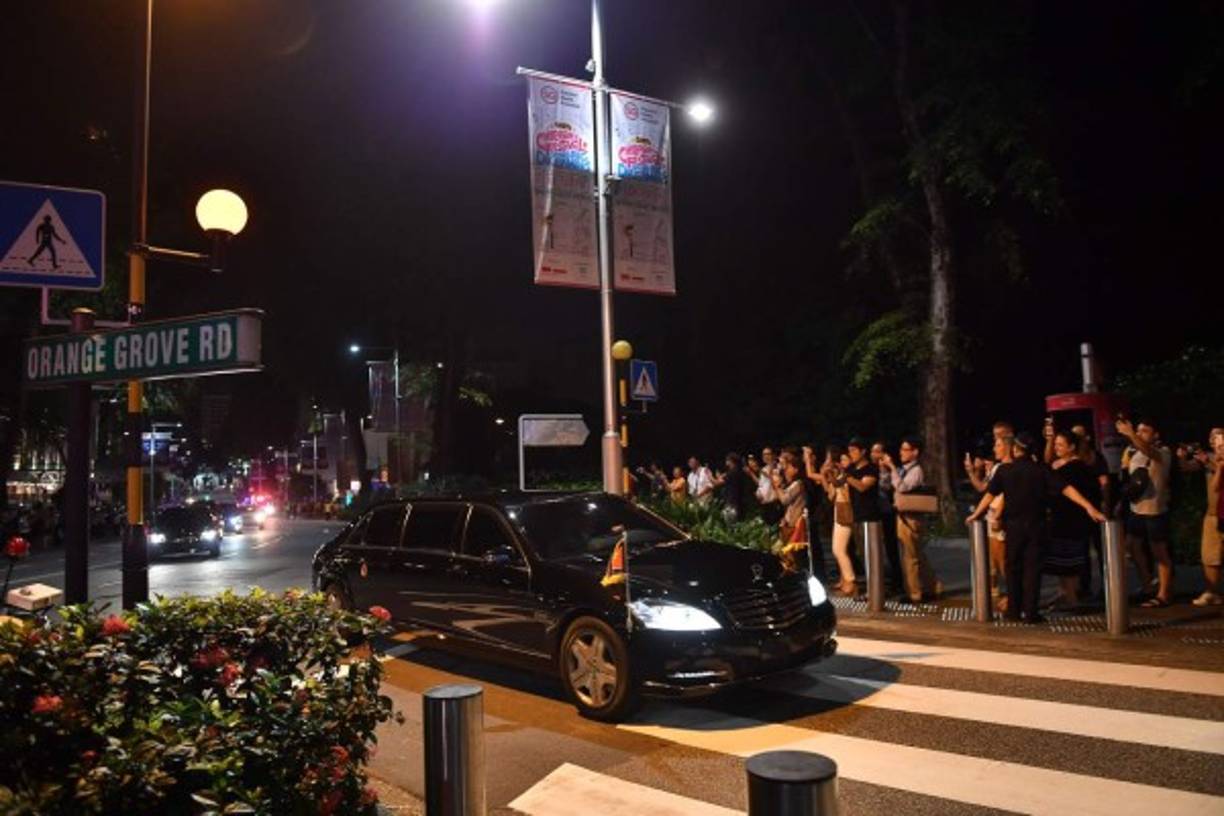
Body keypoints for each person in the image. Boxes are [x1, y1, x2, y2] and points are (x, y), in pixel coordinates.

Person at [967, 432, 1105, 623]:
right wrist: (1089, 507)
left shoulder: (1005, 471)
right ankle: (1031, 612)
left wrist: (976, 514)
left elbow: (989, 495)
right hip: (1036, 525)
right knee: (1032, 569)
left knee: (1013, 567)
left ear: (1016, 450)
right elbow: (1067, 489)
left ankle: (1013, 611)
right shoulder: (1041, 470)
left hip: (1013, 526)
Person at [1116, 417, 1175, 607]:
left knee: (1160, 552)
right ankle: (1148, 585)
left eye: (1145, 431)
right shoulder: (1133, 451)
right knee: (1132, 546)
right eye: (1138, 430)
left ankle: (1164, 593)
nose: (1140, 433)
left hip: (1154, 511)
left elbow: (1149, 450)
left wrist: (1130, 433)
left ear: (1156, 434)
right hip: (1136, 509)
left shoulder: (1163, 452)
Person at [1044, 430, 1098, 610]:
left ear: (1072, 447)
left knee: (1070, 560)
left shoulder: (1078, 468)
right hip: (1058, 518)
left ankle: (1073, 597)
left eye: (1060, 445)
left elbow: (1070, 490)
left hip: (1072, 519)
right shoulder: (1056, 465)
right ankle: (1065, 593)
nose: (1057, 448)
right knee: (1060, 560)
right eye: (1056, 444)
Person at [889, 437, 940, 603]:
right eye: (901, 449)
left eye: (905, 449)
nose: (901, 452)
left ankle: (914, 593)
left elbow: (903, 488)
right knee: (917, 554)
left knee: (910, 557)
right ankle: (933, 586)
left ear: (915, 452)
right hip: (904, 515)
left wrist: (891, 467)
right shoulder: (902, 469)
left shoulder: (916, 470)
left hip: (911, 517)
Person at [1185, 428, 1224, 606]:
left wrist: (1210, 462)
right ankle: (1212, 591)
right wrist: (1182, 457)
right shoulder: (1209, 457)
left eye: (1222, 444)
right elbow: (1187, 468)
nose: (1219, 448)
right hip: (1213, 513)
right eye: (1216, 444)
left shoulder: (1212, 459)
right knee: (1209, 555)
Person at [872, 441, 904, 596]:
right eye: (873, 451)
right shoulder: (872, 470)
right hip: (876, 513)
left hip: (888, 513)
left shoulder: (893, 471)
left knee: (891, 549)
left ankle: (897, 582)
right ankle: (884, 581)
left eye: (878, 451)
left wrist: (888, 466)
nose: (874, 455)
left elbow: (888, 488)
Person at [713, 453, 751, 521]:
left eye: (727, 460)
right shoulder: (738, 471)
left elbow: (717, 483)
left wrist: (709, 475)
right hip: (739, 501)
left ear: (731, 461)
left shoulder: (732, 473)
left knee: (731, 522)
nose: (726, 461)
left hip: (732, 501)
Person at [755, 447, 782, 525]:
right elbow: (761, 485)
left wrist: (769, 474)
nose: (765, 456)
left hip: (774, 503)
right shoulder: (764, 469)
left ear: (773, 455)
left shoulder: (778, 467)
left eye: (768, 454)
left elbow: (777, 483)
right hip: (764, 503)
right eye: (764, 454)